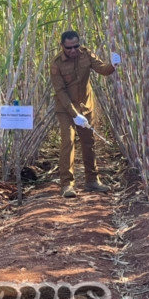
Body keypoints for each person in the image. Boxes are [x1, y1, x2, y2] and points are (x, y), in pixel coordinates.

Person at [49, 31, 119, 198]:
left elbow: (102, 69)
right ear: (62, 46)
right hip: (66, 109)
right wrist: (74, 114)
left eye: (76, 46)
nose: (73, 50)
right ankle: (67, 184)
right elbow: (60, 91)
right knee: (68, 141)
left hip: (86, 106)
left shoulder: (86, 54)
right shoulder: (56, 63)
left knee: (89, 142)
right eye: (69, 48)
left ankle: (92, 181)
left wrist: (114, 65)